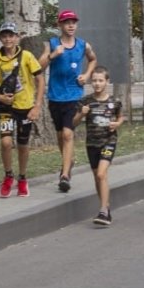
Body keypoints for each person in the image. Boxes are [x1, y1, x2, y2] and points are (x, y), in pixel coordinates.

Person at [0, 21, 44, 197]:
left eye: (11, 35)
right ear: (0, 38)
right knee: (6, 142)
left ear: (17, 37)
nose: (8, 39)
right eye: (4, 35)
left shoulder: (27, 56)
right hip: (6, 107)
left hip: (25, 107)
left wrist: (37, 106)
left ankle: (22, 178)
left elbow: (40, 80)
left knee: (23, 145)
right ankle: (8, 176)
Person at [39, 10, 97, 193]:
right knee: (60, 136)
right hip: (55, 97)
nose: (71, 25)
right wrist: (53, 55)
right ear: (60, 25)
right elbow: (38, 66)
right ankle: (68, 160)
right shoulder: (52, 44)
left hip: (74, 96)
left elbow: (93, 59)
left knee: (67, 134)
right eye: (67, 22)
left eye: (73, 22)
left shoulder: (83, 45)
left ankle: (64, 175)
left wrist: (87, 75)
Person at [74, 67, 123, 226]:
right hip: (92, 144)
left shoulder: (114, 101)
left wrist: (117, 124)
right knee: (97, 177)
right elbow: (73, 123)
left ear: (107, 82)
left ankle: (103, 210)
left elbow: (120, 117)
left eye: (100, 80)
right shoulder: (86, 101)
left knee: (101, 174)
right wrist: (82, 113)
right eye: (94, 80)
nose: (97, 83)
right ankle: (106, 207)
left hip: (108, 141)